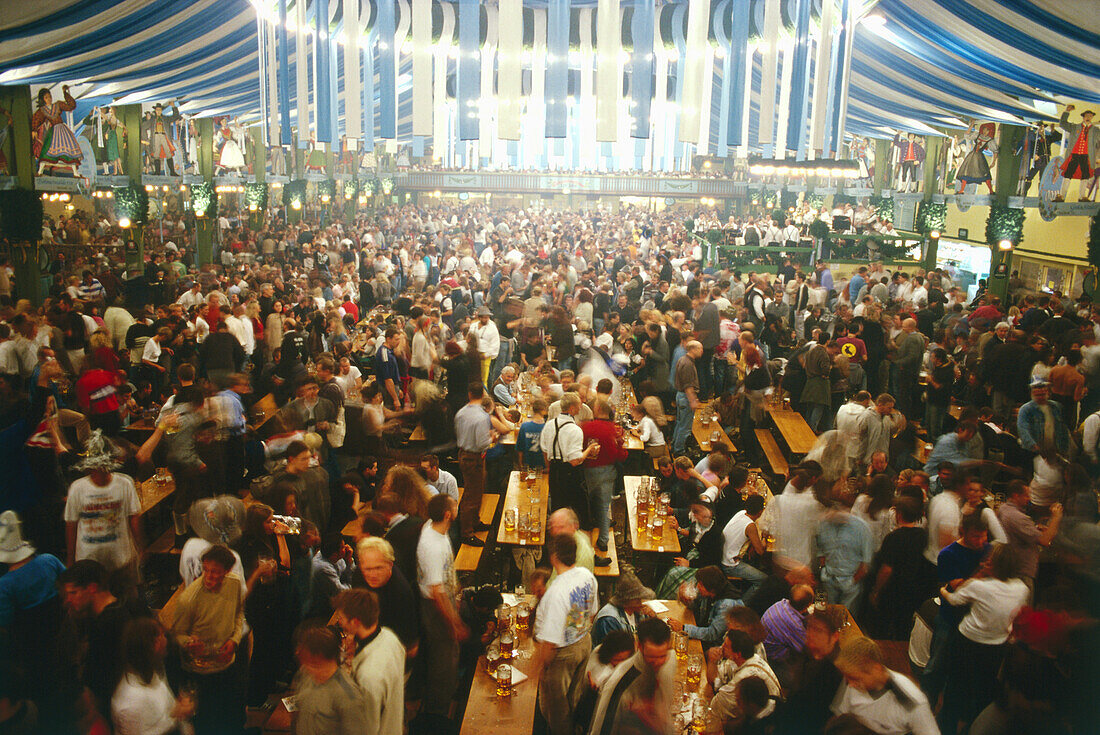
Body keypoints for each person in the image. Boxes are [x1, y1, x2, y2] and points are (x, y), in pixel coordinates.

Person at [939, 544, 1029, 732]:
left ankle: (946, 727)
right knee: (984, 689)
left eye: (990, 560)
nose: (985, 561)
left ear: (996, 565)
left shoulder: (979, 586)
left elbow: (955, 600)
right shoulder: (1022, 589)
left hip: (967, 642)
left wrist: (943, 591)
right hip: (996, 646)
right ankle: (973, 727)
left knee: (956, 687)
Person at [169, 544, 246, 735]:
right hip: (200, 672)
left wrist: (234, 641)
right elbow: (176, 634)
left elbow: (238, 615)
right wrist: (188, 643)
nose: (209, 576)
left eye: (216, 572)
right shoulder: (189, 598)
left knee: (230, 716)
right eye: (206, 570)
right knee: (207, 722)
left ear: (227, 571)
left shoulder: (234, 583)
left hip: (227, 664)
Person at [533, 532, 598, 735]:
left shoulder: (556, 592)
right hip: (583, 642)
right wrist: (576, 630)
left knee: (556, 709)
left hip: (562, 655)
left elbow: (550, 642)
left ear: (553, 557)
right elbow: (592, 613)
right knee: (573, 697)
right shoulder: (586, 576)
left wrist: (535, 668)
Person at [415, 494, 465, 728]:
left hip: (445, 598)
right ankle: (438, 714)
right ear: (447, 515)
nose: (457, 506)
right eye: (453, 505)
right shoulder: (432, 546)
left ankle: (446, 698)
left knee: (449, 654)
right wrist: (454, 621)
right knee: (443, 660)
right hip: (437, 609)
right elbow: (437, 592)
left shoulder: (432, 526)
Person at [64, 432, 141, 571]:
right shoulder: (77, 488)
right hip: (88, 563)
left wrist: (140, 548)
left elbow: (134, 517)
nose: (100, 471)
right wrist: (71, 560)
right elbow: (71, 525)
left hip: (121, 560)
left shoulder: (125, 483)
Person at [586, 616, 676, 735]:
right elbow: (601, 729)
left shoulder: (671, 657)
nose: (659, 662)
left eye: (662, 656)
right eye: (652, 657)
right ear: (639, 647)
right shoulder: (620, 682)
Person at [333, 589, 406, 735]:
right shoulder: (389, 637)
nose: (339, 622)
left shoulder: (369, 676)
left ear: (355, 622)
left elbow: (365, 728)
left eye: (341, 618)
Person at [831, 637, 938, 735]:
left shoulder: (912, 700)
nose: (850, 685)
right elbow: (842, 719)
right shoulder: (851, 683)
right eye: (847, 678)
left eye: (855, 678)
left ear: (876, 669)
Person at [111, 617, 196, 735]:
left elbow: (167, 710)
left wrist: (179, 707)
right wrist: (175, 715)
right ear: (155, 644)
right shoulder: (129, 702)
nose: (166, 640)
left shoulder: (154, 671)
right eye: (162, 635)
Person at [291, 623, 369, 735]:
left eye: (313, 664)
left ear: (321, 658)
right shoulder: (305, 675)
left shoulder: (348, 695)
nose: (306, 667)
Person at [354, 536, 420, 656]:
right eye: (368, 569)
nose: (373, 574)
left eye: (378, 568)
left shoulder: (401, 593)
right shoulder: (358, 575)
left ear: (390, 564)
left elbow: (410, 644)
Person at [541, 391, 600, 526]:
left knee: (557, 504)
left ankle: (557, 533)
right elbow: (575, 461)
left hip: (555, 470)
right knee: (581, 506)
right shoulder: (575, 429)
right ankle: (584, 532)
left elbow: (544, 450)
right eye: (579, 405)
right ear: (572, 408)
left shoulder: (549, 425)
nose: (581, 407)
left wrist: (550, 468)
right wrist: (589, 450)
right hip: (570, 472)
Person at [581, 397, 628, 553]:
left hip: (586, 470)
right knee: (603, 506)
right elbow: (620, 456)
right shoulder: (613, 429)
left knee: (587, 504)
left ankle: (584, 544)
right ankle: (602, 541)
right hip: (607, 471)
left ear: (597, 410)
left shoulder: (585, 427)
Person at [709, 630, 782, 724]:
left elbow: (717, 707)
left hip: (766, 720)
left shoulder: (744, 676)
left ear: (737, 654)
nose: (722, 647)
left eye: (726, 646)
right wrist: (713, 661)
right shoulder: (745, 659)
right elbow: (715, 681)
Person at [454, 383, 493, 546]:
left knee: (476, 491)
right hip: (474, 457)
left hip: (463, 453)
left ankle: (475, 521)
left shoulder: (461, 413)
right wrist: (493, 438)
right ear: (482, 395)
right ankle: (467, 532)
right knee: (472, 494)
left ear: (469, 394)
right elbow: (483, 443)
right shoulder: (482, 416)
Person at [667, 565, 743, 649]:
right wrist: (686, 600)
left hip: (718, 646)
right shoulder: (711, 592)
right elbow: (697, 607)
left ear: (711, 588)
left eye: (701, 585)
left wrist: (683, 628)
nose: (698, 587)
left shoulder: (726, 605)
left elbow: (712, 634)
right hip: (704, 635)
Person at [593, 569, 654, 645]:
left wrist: (652, 619)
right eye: (637, 599)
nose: (641, 602)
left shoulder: (638, 612)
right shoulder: (609, 619)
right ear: (627, 600)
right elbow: (612, 651)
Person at [672, 341, 703, 454]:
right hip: (685, 397)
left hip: (680, 396)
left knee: (680, 424)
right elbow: (688, 386)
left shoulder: (683, 359)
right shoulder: (688, 364)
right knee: (685, 427)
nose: (702, 351)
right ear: (693, 349)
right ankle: (679, 451)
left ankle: (674, 446)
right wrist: (693, 400)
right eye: (700, 348)